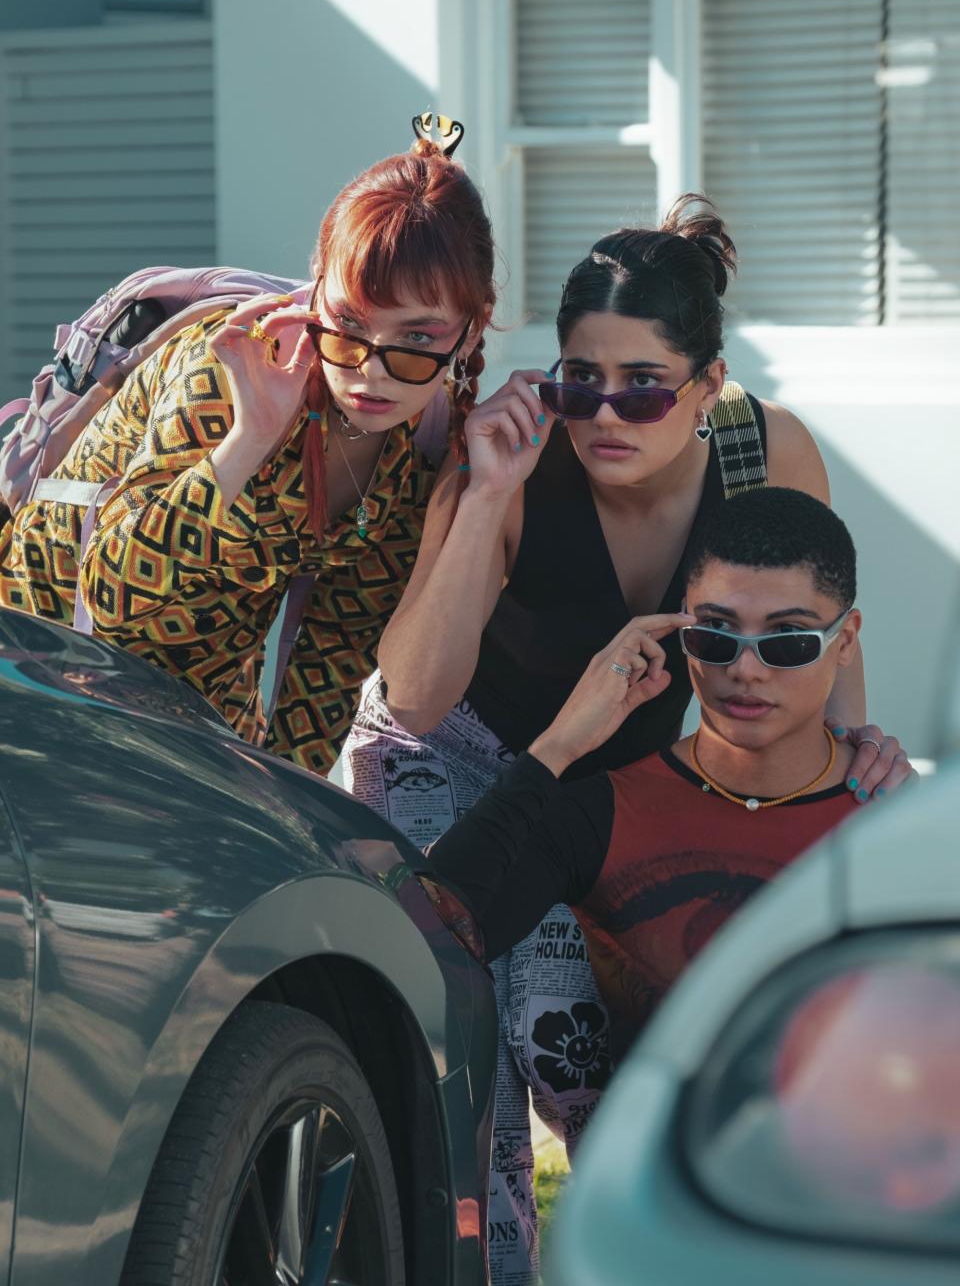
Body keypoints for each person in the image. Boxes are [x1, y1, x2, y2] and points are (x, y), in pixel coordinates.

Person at [341, 198, 909, 1282]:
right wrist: (487, 492)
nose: (607, 412)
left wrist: (855, 759)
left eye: (645, 384)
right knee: (476, 1066)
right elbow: (410, 694)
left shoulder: (763, 450)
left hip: (596, 775)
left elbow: (811, 632)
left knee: (584, 1047)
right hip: (448, 759)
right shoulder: (510, 458)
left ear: (707, 385)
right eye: (578, 378)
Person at [0, 123, 495, 773]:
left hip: (180, 727)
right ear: (316, 288)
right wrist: (247, 441)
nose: (371, 370)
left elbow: (328, 680)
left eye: (415, 339)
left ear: (471, 328)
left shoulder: (420, 449)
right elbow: (115, 599)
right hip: (32, 673)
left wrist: (293, 814)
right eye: (347, 325)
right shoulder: (231, 365)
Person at [425, 486, 898, 1070]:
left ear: (844, 641)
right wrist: (559, 744)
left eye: (787, 642)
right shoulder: (606, 812)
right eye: (715, 635)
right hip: (651, 1158)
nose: (745, 670)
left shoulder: (896, 818)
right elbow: (431, 933)